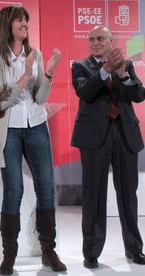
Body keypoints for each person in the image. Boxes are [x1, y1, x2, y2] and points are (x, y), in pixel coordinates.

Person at [0, 6, 66, 275]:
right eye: (19, 19)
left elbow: (40, 98)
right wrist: (24, 77)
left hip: (36, 125)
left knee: (46, 187)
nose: (24, 23)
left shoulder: (36, 54)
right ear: (7, 23)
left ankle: (48, 251)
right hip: (10, 130)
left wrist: (48, 73)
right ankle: (9, 255)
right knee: (14, 190)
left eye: (25, 19)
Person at [72, 25, 145, 269]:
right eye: (91, 39)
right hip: (94, 138)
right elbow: (85, 92)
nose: (95, 42)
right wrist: (105, 70)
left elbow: (139, 94)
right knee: (94, 195)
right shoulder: (80, 66)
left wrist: (123, 74)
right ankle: (91, 252)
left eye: (100, 38)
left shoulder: (127, 64)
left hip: (124, 135)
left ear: (111, 40)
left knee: (128, 196)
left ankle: (135, 249)